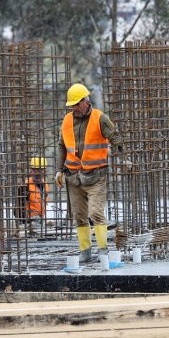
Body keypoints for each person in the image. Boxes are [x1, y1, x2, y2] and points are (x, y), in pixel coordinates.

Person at [55, 83, 124, 263]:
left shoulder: (100, 118)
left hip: (96, 175)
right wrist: (58, 170)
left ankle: (102, 250)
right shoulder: (66, 120)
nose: (74, 108)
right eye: (72, 105)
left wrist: (121, 151)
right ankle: (85, 251)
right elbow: (62, 146)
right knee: (79, 216)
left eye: (77, 104)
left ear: (86, 101)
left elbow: (114, 137)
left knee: (96, 213)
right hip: (74, 177)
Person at [15, 157, 50, 223]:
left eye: (41, 170)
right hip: (28, 222)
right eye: (35, 170)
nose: (37, 173)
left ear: (46, 171)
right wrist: (27, 222)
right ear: (31, 171)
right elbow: (17, 210)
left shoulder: (46, 184)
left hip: (40, 220)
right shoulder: (25, 186)